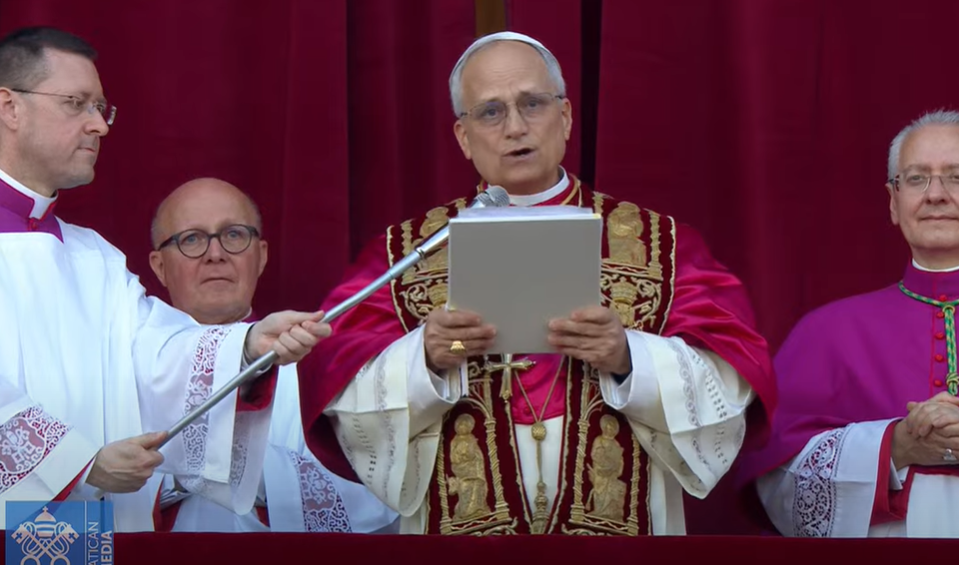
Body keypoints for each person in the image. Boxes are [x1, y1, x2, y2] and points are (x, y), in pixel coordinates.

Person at [297, 31, 777, 536]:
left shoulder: (663, 245)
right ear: (462, 136)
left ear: (565, 118)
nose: (515, 127)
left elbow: (732, 377)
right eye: (490, 112)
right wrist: (429, 357)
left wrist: (628, 358)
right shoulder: (407, 253)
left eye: (532, 103)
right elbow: (338, 378)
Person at [0, 26, 331, 531]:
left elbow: (157, 354)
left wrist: (245, 345)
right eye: (77, 104)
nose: (100, 126)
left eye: (101, 108)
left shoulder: (95, 258)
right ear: (9, 107)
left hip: (91, 536)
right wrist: (79, 464)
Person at [739, 109, 959, 538]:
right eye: (916, 178)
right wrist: (894, 446)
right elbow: (777, 483)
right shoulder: (827, 333)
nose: (936, 194)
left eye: (956, 176)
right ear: (894, 203)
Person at [148, 177, 398, 533]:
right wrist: (178, 480)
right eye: (192, 239)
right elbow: (84, 492)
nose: (215, 254)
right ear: (159, 266)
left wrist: (226, 467)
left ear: (261, 255)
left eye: (233, 235)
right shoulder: (123, 363)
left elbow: (374, 497)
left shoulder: (319, 364)